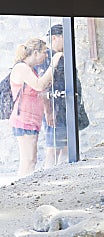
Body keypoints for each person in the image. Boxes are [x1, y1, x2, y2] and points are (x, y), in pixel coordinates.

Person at [9, 38, 63, 177]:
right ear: (35, 52)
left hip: (31, 120)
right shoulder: (21, 68)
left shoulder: (30, 69)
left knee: (31, 160)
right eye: (44, 52)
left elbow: (41, 92)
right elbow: (39, 85)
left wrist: (48, 112)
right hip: (24, 120)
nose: (46, 55)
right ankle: (21, 192)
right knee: (28, 161)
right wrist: (53, 63)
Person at [36, 24, 84, 168]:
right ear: (55, 38)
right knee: (53, 149)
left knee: (66, 147)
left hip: (65, 108)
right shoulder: (46, 58)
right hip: (55, 110)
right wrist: (49, 112)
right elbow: (43, 88)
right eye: (66, 37)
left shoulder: (64, 56)